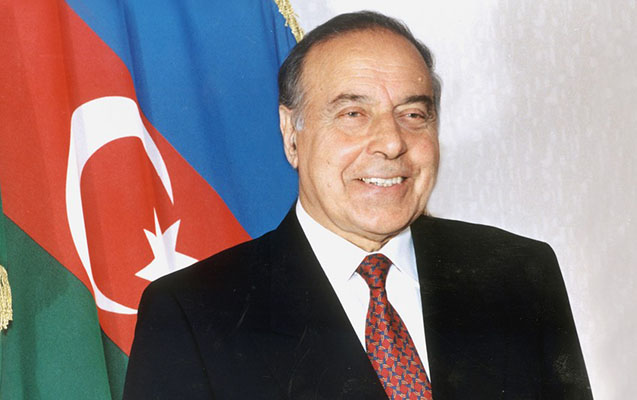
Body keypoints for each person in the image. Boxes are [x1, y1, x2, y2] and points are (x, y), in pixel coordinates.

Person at [123, 11, 592, 399]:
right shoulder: (193, 315)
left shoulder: (519, 274)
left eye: (413, 114)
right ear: (291, 134)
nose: (391, 142)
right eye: (353, 114)